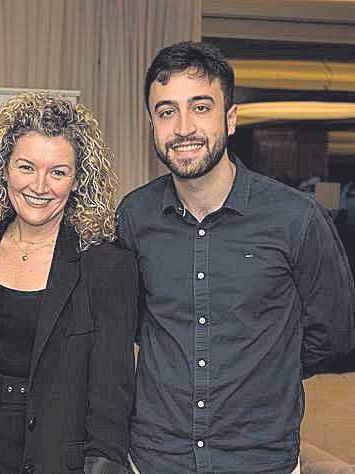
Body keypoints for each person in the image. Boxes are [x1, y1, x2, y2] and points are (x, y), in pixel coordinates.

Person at [117, 41, 355, 474]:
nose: (183, 127)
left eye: (200, 107)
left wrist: (268, 368)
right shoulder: (134, 217)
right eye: (167, 111)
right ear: (151, 124)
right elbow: (132, 323)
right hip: (155, 460)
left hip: (261, 461)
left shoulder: (296, 218)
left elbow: (333, 334)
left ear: (230, 118)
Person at [0, 92, 138, 474]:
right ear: (3, 169)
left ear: (77, 181)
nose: (40, 186)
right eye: (26, 167)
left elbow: (111, 394)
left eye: (58, 172)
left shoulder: (106, 263)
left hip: (61, 457)